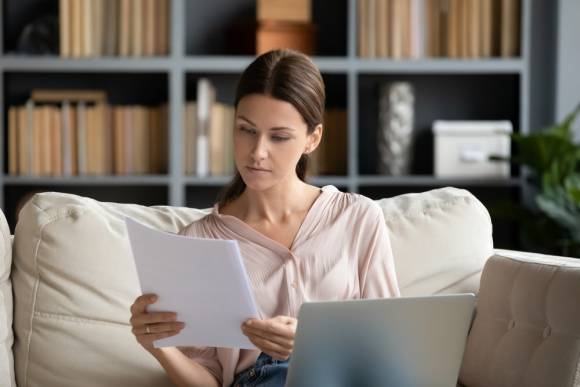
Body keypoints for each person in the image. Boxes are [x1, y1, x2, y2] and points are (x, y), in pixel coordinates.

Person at [129, 49, 400, 387]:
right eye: (246, 130)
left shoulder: (357, 218)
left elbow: (391, 351)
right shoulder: (198, 242)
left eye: (279, 137)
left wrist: (315, 343)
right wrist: (160, 349)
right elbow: (210, 378)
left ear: (312, 138)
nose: (257, 152)